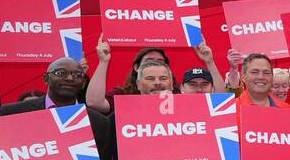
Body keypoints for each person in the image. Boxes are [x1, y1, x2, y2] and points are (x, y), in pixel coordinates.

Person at [85, 39, 225, 114]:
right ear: (137, 72)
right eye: (150, 77)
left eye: (163, 77)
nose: (157, 82)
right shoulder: (122, 97)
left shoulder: (180, 97)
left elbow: (221, 102)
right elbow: (94, 103)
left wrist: (209, 62)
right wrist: (103, 62)